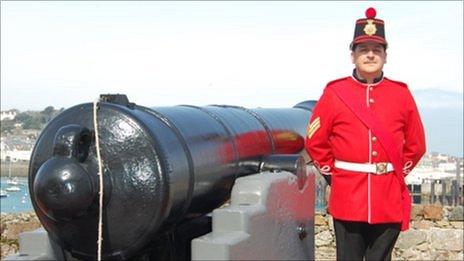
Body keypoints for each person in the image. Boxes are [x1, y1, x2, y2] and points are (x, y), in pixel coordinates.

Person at [305, 7, 426, 260]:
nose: (370, 55)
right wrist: (335, 177)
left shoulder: (401, 94)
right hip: (348, 196)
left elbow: (416, 145)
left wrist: (393, 175)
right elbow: (315, 142)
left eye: (376, 50)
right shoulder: (334, 94)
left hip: (388, 199)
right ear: (353, 55)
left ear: (385, 55)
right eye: (363, 50)